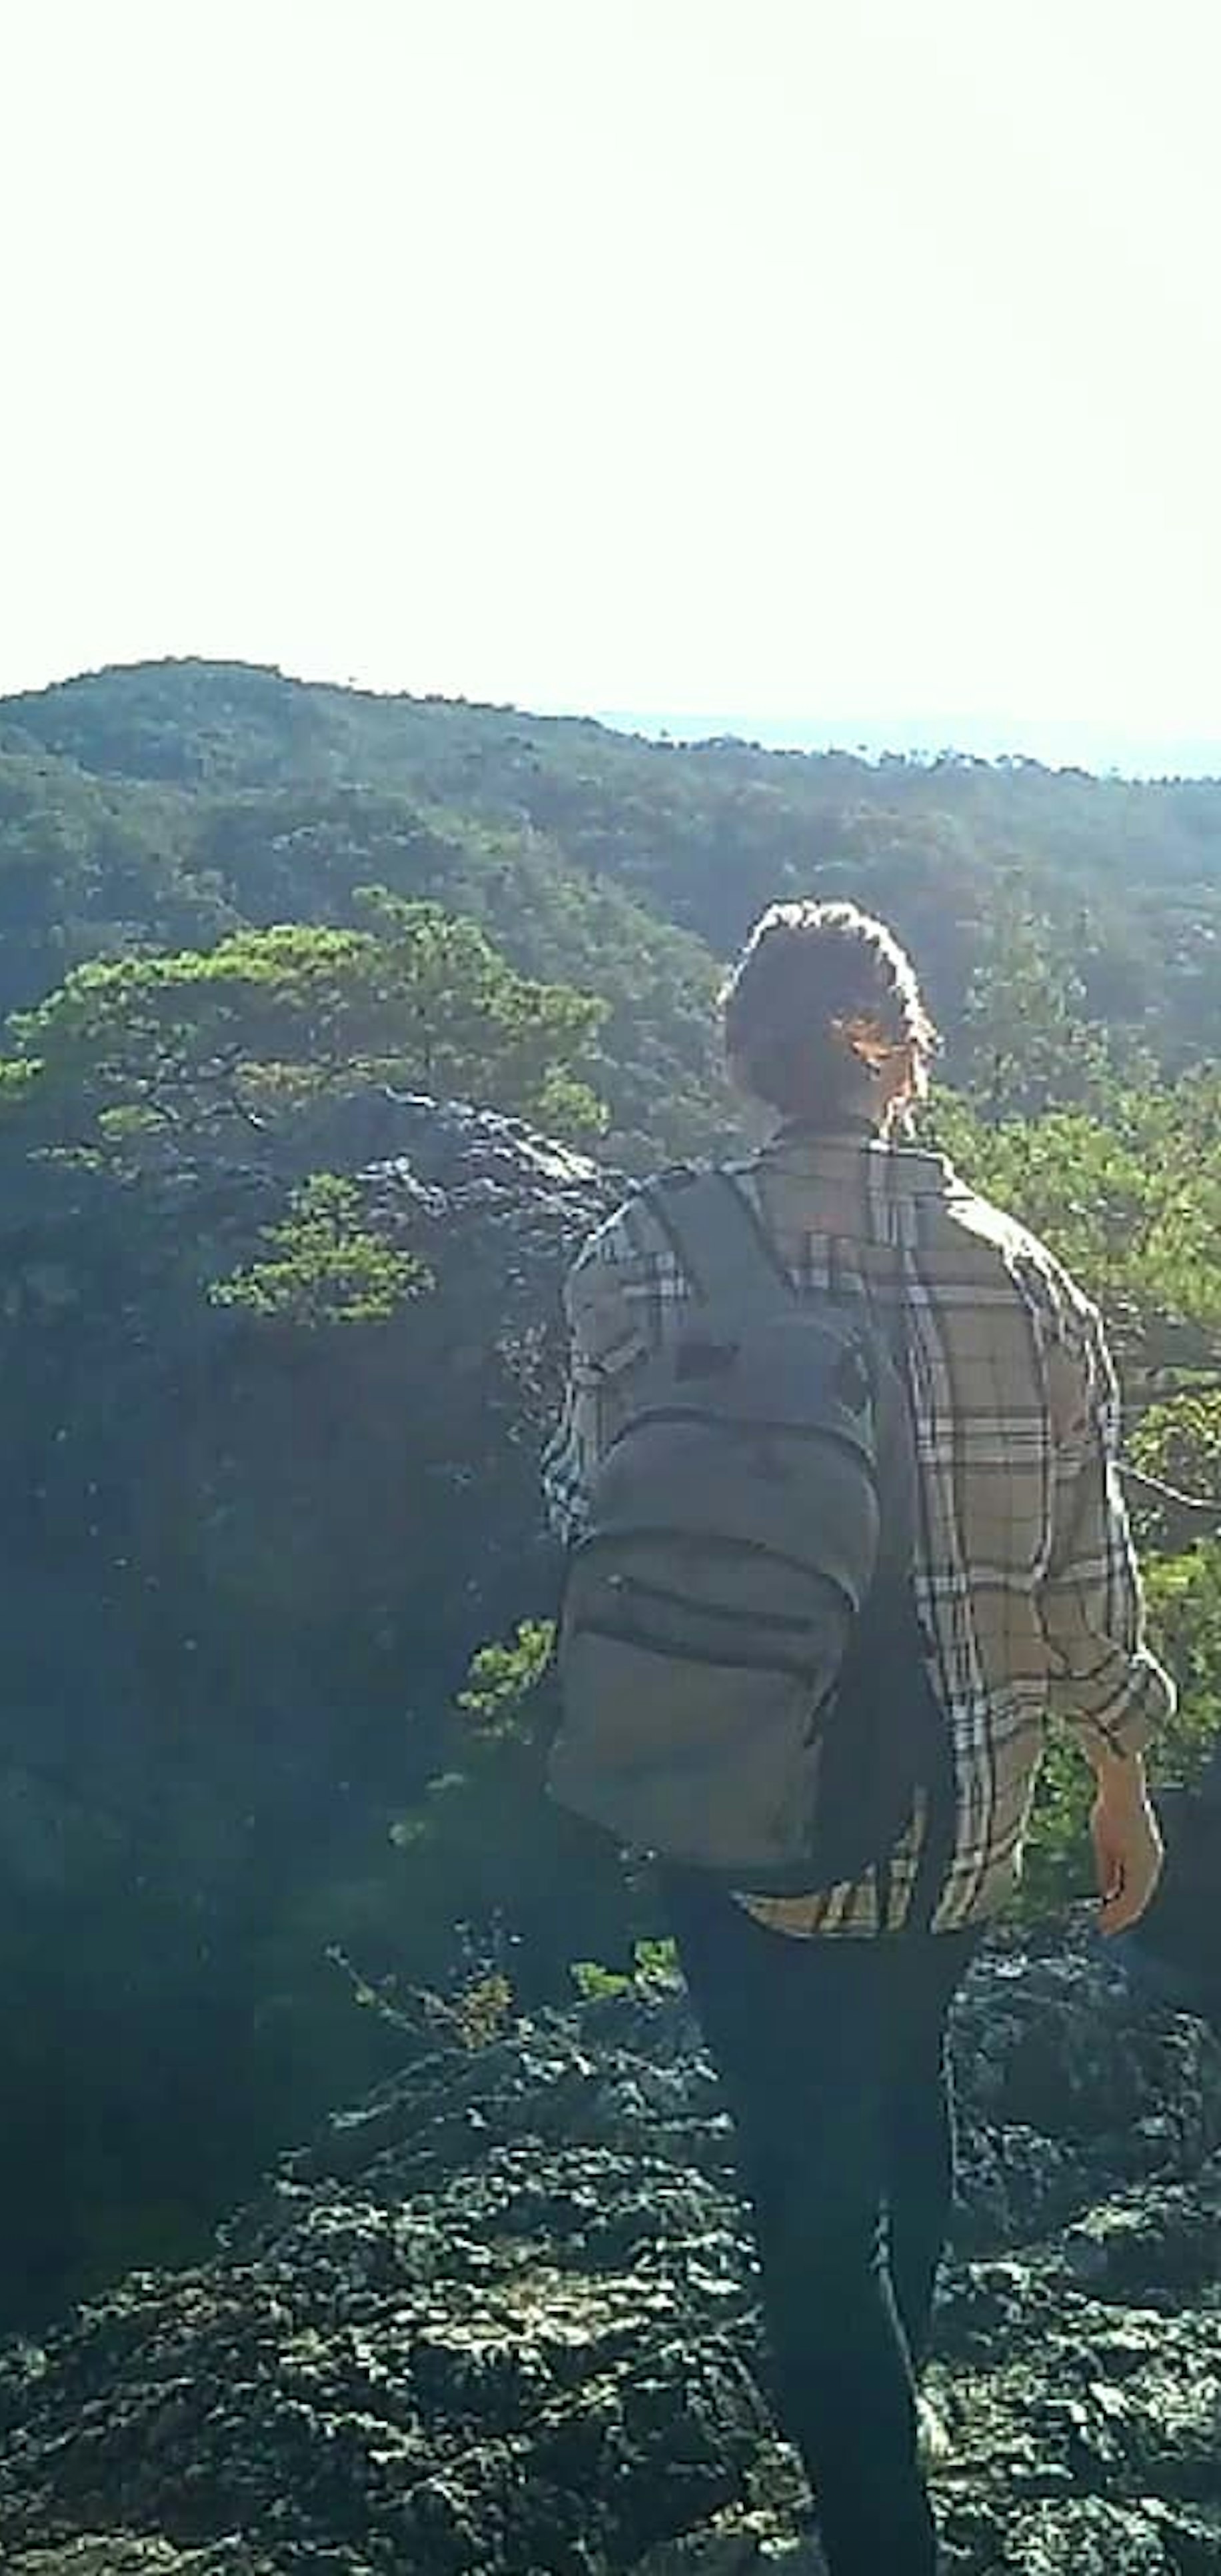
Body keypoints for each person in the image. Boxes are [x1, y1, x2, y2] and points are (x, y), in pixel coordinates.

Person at [542, 898, 1171, 2576]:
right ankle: (899, 2398)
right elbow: (1077, 1566)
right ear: (907, 1054)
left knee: (801, 2186)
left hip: (738, 1790)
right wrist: (1124, 1760)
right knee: (905, 2077)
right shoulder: (1023, 1272)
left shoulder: (645, 1250)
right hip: (965, 1796)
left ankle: (880, 2527)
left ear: (745, 1055)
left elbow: (587, 1514)